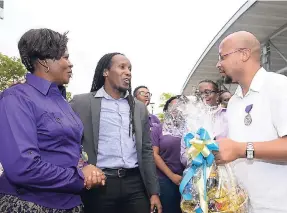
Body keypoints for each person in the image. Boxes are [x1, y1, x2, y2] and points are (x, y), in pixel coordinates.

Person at [0, 28, 104, 212]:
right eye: (65, 57)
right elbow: (23, 167)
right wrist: (80, 177)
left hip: (71, 203)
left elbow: (70, 150)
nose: (70, 64)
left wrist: (88, 169)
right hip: (31, 204)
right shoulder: (16, 98)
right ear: (43, 61)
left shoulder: (62, 101)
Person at [70, 53, 162, 213]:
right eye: (122, 67)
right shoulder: (81, 103)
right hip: (100, 185)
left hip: (135, 185)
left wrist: (154, 192)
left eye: (130, 68)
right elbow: (67, 141)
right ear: (105, 72)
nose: (128, 72)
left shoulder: (139, 108)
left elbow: (146, 151)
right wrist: (82, 166)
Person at [215, 31, 287, 213]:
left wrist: (240, 149)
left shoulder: (278, 86)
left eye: (222, 57)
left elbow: (240, 149)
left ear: (244, 54)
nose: (218, 64)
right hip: (244, 206)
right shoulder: (234, 101)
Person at [181, 80, 228, 166]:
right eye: (199, 94)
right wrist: (196, 156)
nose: (203, 96)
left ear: (217, 95)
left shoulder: (228, 116)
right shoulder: (192, 119)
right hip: (198, 169)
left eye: (207, 92)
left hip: (225, 167)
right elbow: (183, 154)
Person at [151, 95, 184, 213]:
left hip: (188, 179)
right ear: (166, 109)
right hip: (165, 180)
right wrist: (172, 176)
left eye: (181, 106)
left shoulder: (190, 129)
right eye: (173, 106)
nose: (177, 109)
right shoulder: (158, 129)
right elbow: (154, 155)